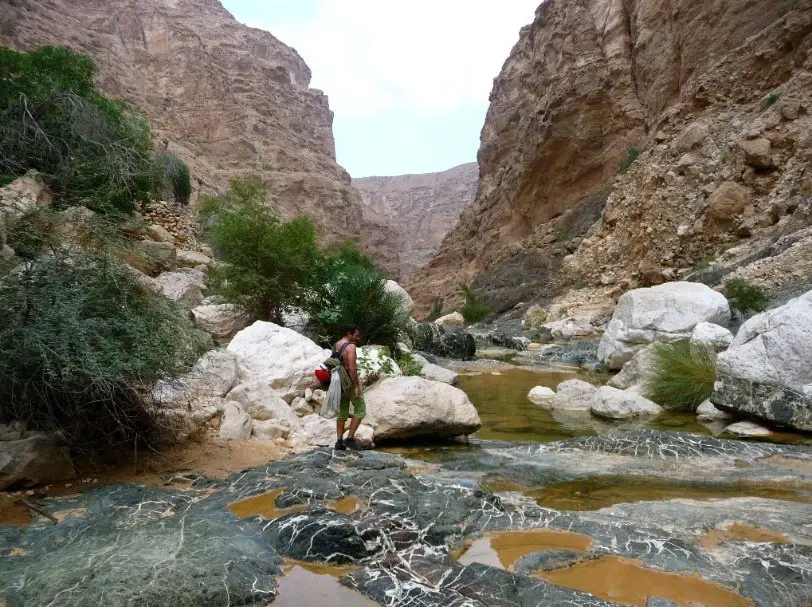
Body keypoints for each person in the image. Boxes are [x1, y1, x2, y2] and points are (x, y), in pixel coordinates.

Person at [331, 324, 365, 450]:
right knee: (361, 409)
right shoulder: (351, 347)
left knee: (342, 410)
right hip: (349, 382)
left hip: (338, 382)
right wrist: (356, 386)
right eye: (356, 335)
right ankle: (350, 439)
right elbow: (351, 367)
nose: (358, 338)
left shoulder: (336, 345)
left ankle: (339, 442)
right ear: (349, 334)